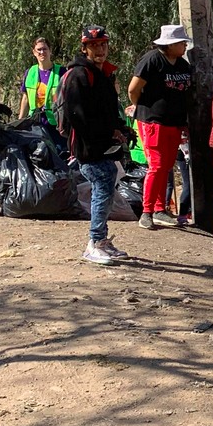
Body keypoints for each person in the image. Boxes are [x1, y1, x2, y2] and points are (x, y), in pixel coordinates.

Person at [61, 26, 132, 264]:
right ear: (84, 49)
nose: (100, 50)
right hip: (87, 146)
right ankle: (94, 242)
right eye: (94, 46)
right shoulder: (79, 75)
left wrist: (120, 128)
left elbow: (107, 110)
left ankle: (100, 240)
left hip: (102, 143)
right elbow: (77, 116)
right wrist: (106, 133)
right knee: (103, 181)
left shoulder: (103, 75)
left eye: (103, 44)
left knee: (107, 179)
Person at [128, 24, 194, 230]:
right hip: (153, 121)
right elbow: (133, 89)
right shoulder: (152, 60)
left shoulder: (183, 65)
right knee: (156, 166)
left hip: (174, 122)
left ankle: (159, 209)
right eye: (181, 42)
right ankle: (146, 212)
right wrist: (140, 108)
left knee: (166, 166)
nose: (185, 45)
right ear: (170, 44)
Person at [17, 37, 66, 128]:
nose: (42, 52)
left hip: (56, 123)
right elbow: (25, 98)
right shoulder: (30, 72)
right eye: (39, 50)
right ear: (34, 52)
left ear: (50, 50)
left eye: (45, 49)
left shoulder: (62, 72)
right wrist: (20, 122)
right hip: (34, 123)